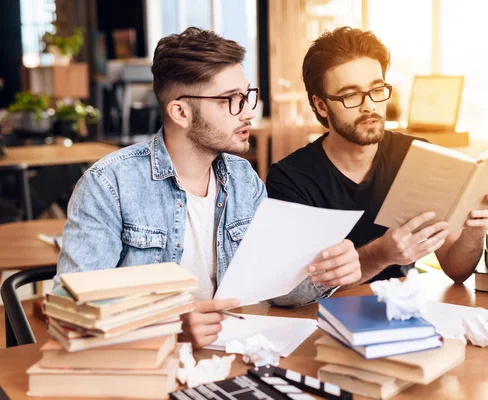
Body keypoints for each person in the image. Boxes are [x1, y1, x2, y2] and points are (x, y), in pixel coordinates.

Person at [55, 27, 359, 348]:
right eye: (231, 100)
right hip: (148, 367)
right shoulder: (109, 184)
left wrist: (324, 273)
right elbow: (70, 309)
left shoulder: (243, 179)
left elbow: (278, 290)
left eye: (246, 96)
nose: (248, 112)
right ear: (181, 112)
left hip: (230, 354)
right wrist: (168, 326)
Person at [266, 27, 488, 286]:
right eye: (351, 95)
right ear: (322, 105)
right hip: (324, 320)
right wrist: (381, 254)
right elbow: (299, 289)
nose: (369, 106)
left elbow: (456, 270)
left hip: (403, 310)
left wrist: (474, 232)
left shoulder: (418, 156)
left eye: (377, 90)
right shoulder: (290, 178)